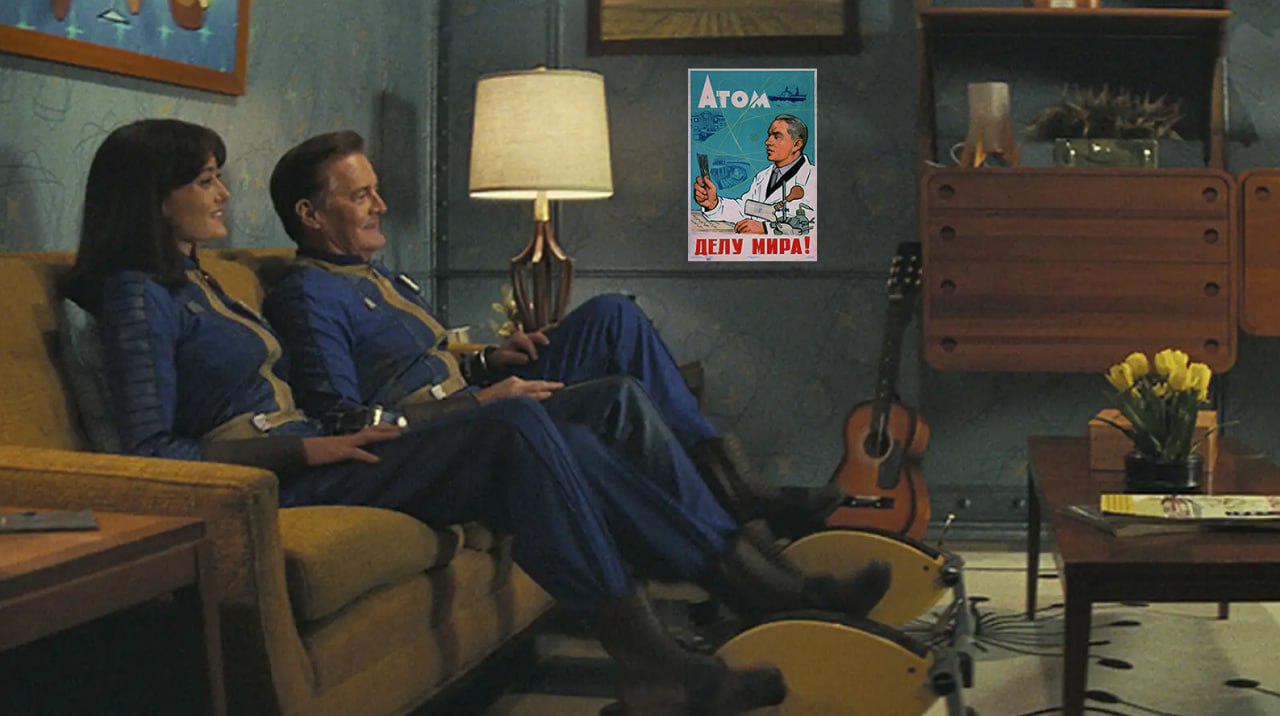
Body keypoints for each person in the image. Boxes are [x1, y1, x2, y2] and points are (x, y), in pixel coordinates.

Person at [59, 119, 888, 715]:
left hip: (328, 446)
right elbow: (152, 451)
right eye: (204, 179)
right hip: (292, 474)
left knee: (582, 406)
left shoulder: (193, 279)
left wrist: (485, 363)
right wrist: (312, 451)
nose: (223, 192)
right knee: (525, 427)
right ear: (153, 198)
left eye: (218, 175)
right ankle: (696, 625)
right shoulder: (139, 296)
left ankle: (695, 630)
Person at [262, 130, 844, 535]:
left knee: (613, 314)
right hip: (452, 427)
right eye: (361, 195)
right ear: (310, 214)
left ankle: (730, 481)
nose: (381, 205)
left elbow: (424, 362)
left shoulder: (375, 273)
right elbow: (345, 418)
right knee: (618, 396)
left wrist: (489, 360)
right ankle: (732, 530)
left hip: (475, 393)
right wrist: (479, 401)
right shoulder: (307, 293)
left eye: (375, 190)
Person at [693, 114, 817, 235]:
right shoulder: (763, 176)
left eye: (777, 137)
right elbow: (746, 209)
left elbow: (814, 226)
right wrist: (714, 204)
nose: (767, 142)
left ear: (797, 144)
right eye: (769, 135)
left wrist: (766, 229)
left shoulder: (814, 178)